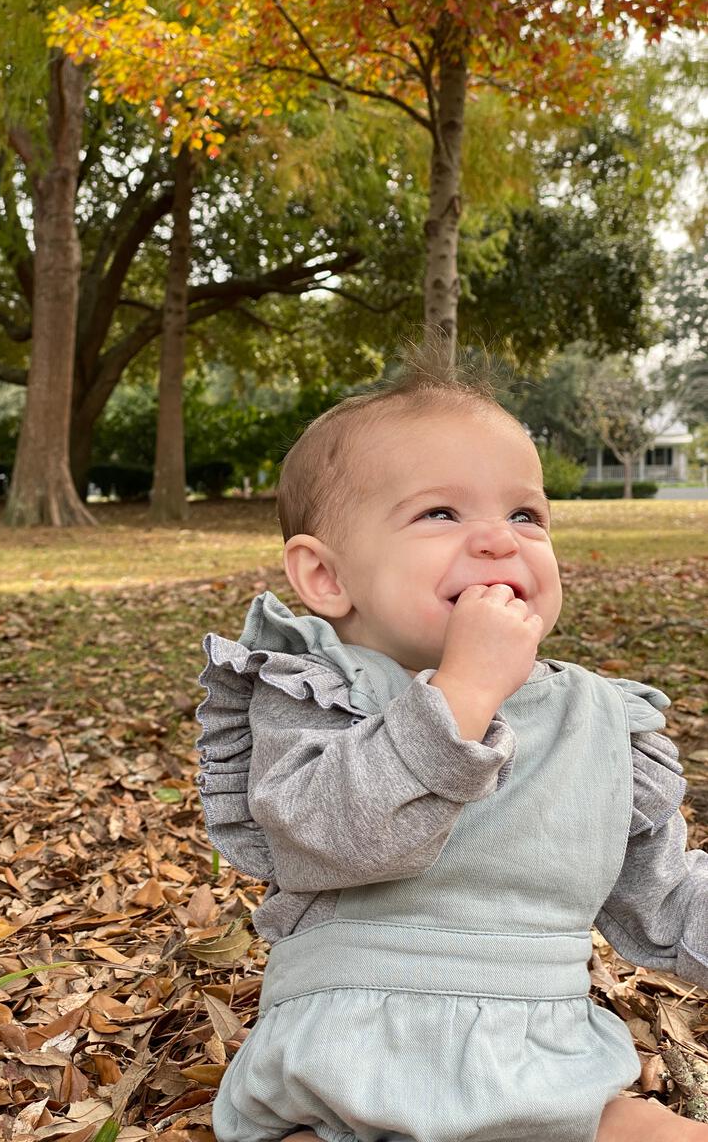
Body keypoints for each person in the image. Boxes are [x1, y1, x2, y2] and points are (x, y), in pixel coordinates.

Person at [195, 375, 708, 1142]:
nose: (501, 538)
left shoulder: (601, 724)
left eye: (526, 514)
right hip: (345, 1078)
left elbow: (662, 899)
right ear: (327, 577)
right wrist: (462, 693)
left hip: (544, 1075)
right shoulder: (317, 693)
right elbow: (323, 839)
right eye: (440, 512)